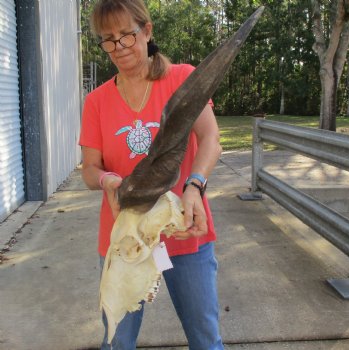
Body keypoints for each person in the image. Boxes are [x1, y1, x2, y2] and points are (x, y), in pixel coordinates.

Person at [79, 0, 223, 349]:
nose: (118, 48)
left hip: (184, 230)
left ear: (146, 30)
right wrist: (106, 181)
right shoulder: (97, 101)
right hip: (125, 240)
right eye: (108, 39)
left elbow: (210, 140)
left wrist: (194, 186)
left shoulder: (181, 79)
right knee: (117, 340)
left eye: (126, 35)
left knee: (206, 340)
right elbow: (89, 168)